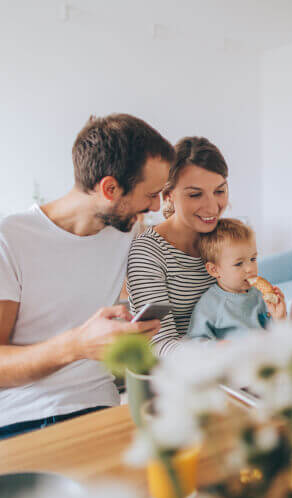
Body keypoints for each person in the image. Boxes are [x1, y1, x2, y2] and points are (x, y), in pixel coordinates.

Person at [0, 114, 173, 439]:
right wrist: (78, 345)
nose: (156, 206)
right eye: (151, 194)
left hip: (102, 411)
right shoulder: (10, 237)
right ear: (110, 188)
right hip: (25, 419)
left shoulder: (127, 232)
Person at [127, 136, 229, 355]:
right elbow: (160, 345)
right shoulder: (148, 253)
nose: (212, 207)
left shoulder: (226, 239)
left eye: (219, 191)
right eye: (195, 194)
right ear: (168, 195)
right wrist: (222, 351)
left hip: (233, 366)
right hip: (181, 376)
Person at [187, 218, 286, 340]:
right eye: (239, 264)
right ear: (214, 270)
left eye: (253, 259)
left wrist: (279, 318)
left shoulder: (260, 295)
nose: (250, 268)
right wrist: (218, 347)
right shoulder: (210, 304)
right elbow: (195, 342)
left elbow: (277, 336)